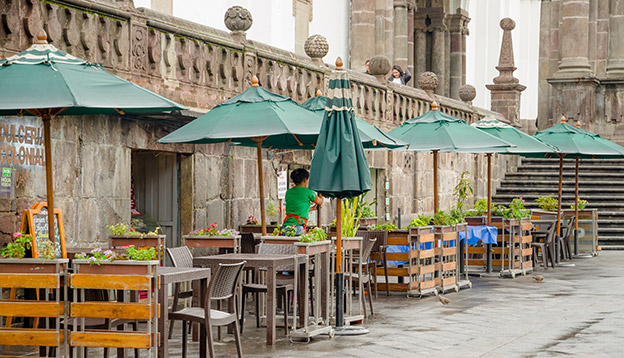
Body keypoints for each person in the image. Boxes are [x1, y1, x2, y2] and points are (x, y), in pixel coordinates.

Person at [281, 168, 324, 235]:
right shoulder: (308, 192)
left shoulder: (288, 192)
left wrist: (312, 208)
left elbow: (297, 209)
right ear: (305, 180)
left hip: (285, 227)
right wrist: (321, 193)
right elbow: (320, 202)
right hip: (298, 227)